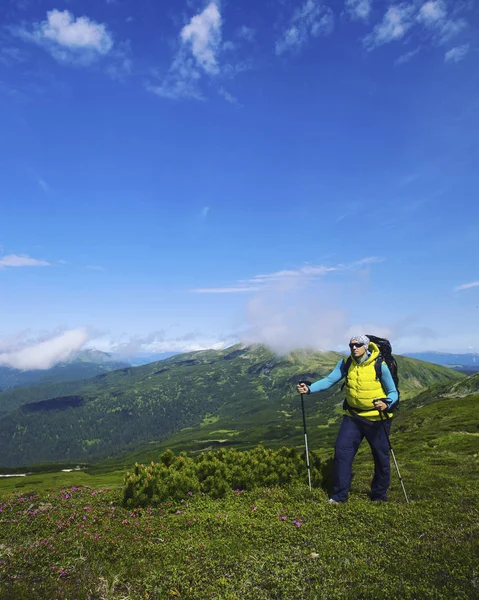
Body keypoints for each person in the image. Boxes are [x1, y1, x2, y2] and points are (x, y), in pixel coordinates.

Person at [296, 335, 399, 503]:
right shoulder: (346, 363)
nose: (354, 348)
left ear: (366, 346)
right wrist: (309, 389)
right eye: (351, 345)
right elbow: (329, 380)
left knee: (381, 457)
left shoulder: (380, 365)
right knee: (342, 453)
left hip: (378, 419)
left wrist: (386, 404)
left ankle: (379, 495)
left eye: (358, 345)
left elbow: (393, 393)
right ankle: (338, 497)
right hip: (353, 417)